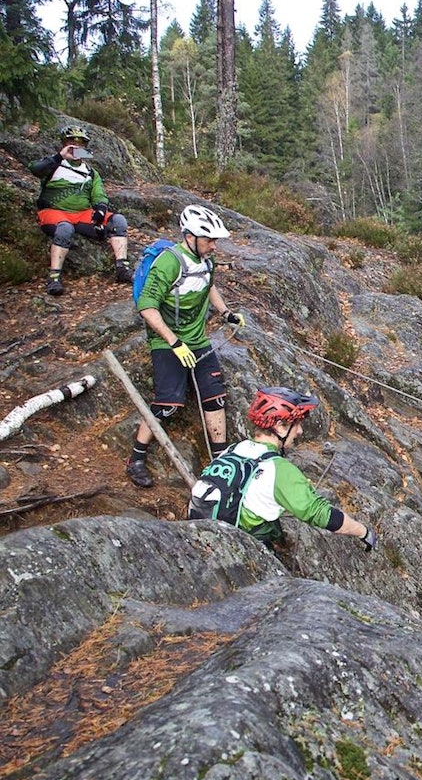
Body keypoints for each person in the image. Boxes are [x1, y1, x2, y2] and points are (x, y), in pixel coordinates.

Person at [125, 205, 244, 488]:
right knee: (168, 403)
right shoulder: (170, 262)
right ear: (190, 236)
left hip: (198, 340)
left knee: (215, 398)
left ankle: (221, 462)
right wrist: (174, 342)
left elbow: (210, 286)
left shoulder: (206, 261)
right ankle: (136, 458)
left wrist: (226, 313)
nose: (214, 246)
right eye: (209, 240)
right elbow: (147, 306)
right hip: (167, 341)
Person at [203, 387, 377, 549]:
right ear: (280, 426)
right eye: (297, 424)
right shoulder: (278, 469)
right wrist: (363, 531)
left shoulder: (233, 449)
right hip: (241, 547)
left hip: (208, 538)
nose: (300, 431)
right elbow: (321, 514)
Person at [29, 125, 132, 296]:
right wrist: (60, 156)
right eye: (71, 142)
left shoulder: (91, 172)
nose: (76, 146)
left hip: (82, 214)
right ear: (64, 143)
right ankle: (54, 277)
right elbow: (35, 169)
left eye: (81, 143)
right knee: (65, 229)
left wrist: (100, 210)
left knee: (118, 221)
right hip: (54, 212)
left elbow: (99, 194)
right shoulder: (53, 164)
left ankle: (122, 268)